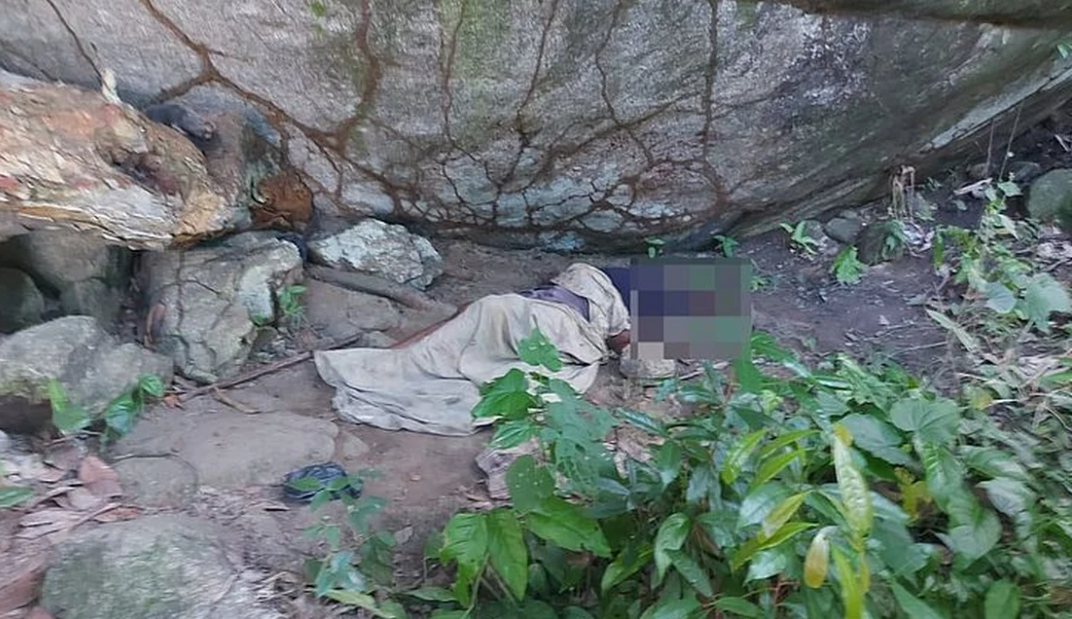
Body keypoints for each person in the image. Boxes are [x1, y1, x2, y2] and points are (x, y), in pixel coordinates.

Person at [313, 263, 631, 436]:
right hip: (549, 322)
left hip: (511, 306)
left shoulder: (602, 274)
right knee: (476, 357)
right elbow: (620, 338)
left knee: (452, 337)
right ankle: (385, 364)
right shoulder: (644, 292)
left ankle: (382, 361)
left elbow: (551, 286)